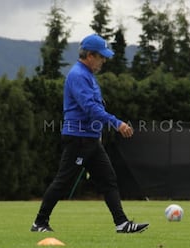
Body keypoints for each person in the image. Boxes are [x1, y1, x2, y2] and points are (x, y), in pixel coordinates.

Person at [31, 34, 149, 233]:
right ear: (90, 55)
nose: (104, 61)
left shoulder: (88, 76)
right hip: (78, 139)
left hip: (90, 140)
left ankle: (122, 223)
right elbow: (89, 107)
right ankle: (39, 223)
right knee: (63, 182)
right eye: (101, 56)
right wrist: (116, 123)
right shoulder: (78, 75)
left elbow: (95, 106)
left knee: (108, 180)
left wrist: (99, 132)